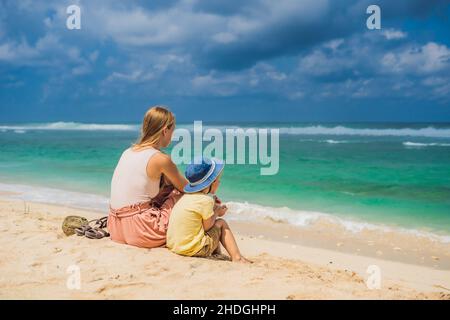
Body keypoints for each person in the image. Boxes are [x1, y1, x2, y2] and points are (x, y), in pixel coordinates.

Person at [107, 105, 187, 248]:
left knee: (165, 188)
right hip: (142, 231)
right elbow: (187, 188)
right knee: (181, 194)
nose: (172, 136)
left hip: (115, 227)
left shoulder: (127, 152)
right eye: (172, 131)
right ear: (165, 130)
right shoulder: (160, 159)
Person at [166, 157, 251, 263]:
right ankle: (237, 257)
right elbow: (207, 227)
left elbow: (198, 221)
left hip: (176, 246)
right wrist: (217, 212)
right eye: (217, 180)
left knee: (210, 226)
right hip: (191, 249)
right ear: (211, 183)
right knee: (221, 223)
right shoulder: (206, 200)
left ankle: (217, 254)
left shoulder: (187, 197)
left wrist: (214, 208)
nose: (219, 183)